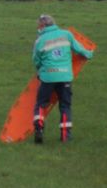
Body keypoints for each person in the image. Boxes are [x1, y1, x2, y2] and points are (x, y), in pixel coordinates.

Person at [32, 14, 94, 144]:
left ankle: (39, 128)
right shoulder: (66, 34)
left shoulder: (40, 40)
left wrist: (40, 71)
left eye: (39, 25)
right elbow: (79, 50)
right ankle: (66, 136)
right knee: (65, 105)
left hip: (48, 77)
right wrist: (89, 54)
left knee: (41, 104)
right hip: (65, 76)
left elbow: (36, 60)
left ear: (42, 25)